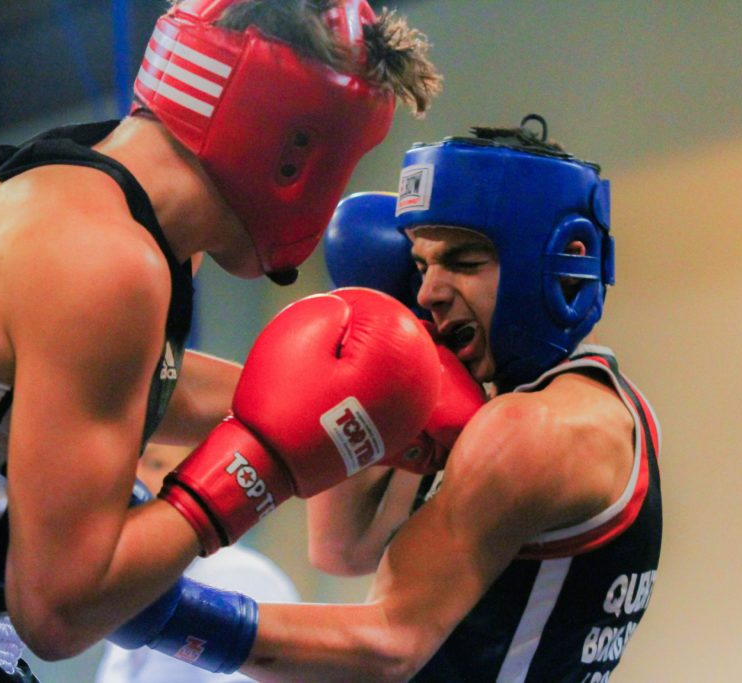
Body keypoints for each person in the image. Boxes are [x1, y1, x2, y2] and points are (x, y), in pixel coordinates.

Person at [0, 1, 443, 681]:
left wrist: (322, 399)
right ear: (296, 151)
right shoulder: (105, 261)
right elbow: (60, 610)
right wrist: (266, 464)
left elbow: (111, 383)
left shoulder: (71, 191)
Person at [226, 116, 662, 682]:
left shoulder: (531, 429)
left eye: (463, 261)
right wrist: (387, 340)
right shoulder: (576, 408)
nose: (428, 292)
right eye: (419, 266)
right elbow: (345, 548)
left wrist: (164, 611)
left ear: (561, 261)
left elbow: (385, 646)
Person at [95, 443, 299, 683]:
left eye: (155, 464)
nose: (135, 479)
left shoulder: (236, 573)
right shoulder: (139, 585)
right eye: (127, 467)